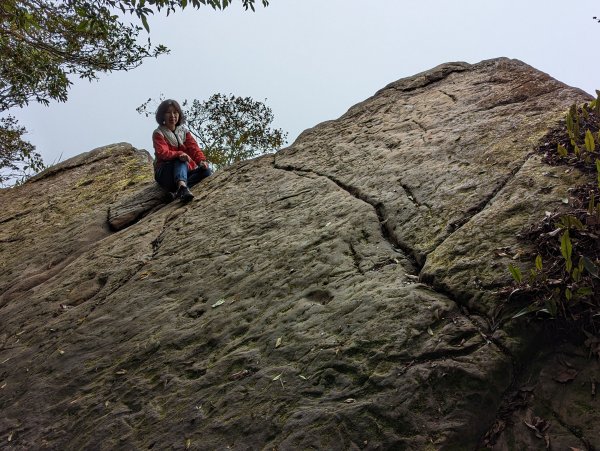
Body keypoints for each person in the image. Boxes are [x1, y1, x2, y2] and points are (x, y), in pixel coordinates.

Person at [153, 99, 212, 202]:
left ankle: (177, 192)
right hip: (165, 173)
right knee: (179, 159)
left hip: (184, 172)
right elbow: (162, 153)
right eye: (168, 112)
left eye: (175, 112)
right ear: (162, 115)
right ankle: (182, 187)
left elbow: (194, 148)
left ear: (179, 114)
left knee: (206, 171)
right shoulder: (159, 133)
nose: (172, 115)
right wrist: (179, 154)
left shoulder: (184, 132)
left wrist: (201, 161)